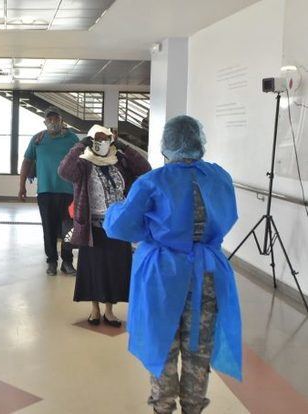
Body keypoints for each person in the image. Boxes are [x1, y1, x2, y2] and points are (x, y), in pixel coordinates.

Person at [103, 115, 242, 413]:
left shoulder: (152, 182)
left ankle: (162, 406)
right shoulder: (220, 177)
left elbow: (122, 227)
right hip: (207, 272)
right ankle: (193, 405)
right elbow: (229, 217)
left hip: (163, 275)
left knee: (162, 343)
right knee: (198, 347)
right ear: (198, 142)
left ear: (166, 145)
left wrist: (122, 214)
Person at [58, 125, 151, 327]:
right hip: (93, 227)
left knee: (115, 268)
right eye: (98, 139)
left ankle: (109, 311)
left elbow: (145, 168)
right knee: (94, 269)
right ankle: (94, 309)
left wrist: (123, 145)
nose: (103, 143)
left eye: (107, 139)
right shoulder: (84, 164)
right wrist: (80, 145)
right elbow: (64, 170)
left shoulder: (119, 161)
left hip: (119, 226)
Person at [19, 106, 79, 276]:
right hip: (45, 191)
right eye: (49, 119)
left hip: (68, 191)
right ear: (45, 122)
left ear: (62, 121)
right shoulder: (38, 139)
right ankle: (51, 261)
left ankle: (67, 262)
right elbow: (27, 161)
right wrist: (22, 185)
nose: (53, 122)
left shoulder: (72, 138)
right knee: (49, 228)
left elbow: (82, 162)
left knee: (68, 228)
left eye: (56, 119)